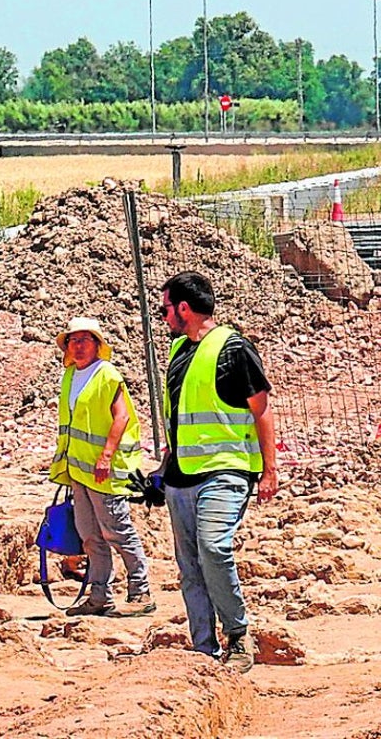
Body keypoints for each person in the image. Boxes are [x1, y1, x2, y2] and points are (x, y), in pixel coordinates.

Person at [158, 270, 278, 673]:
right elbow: (178, 418)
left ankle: (239, 635)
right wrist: (163, 469)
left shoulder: (234, 349)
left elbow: (261, 410)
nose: (164, 317)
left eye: (166, 309)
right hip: (181, 477)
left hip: (226, 471)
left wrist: (269, 470)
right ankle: (204, 650)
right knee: (190, 565)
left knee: (213, 548)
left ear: (184, 308)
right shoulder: (178, 351)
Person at [49, 317, 154, 618]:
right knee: (90, 536)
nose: (78, 345)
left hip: (103, 470)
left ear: (97, 344)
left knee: (117, 530)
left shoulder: (106, 374)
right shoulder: (70, 376)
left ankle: (140, 589)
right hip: (79, 470)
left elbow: (120, 417)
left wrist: (106, 455)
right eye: (73, 340)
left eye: (85, 339)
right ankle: (99, 596)